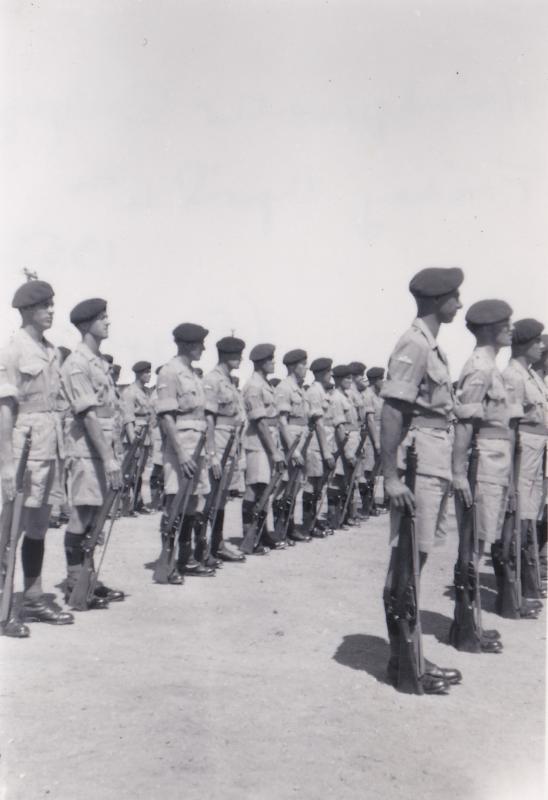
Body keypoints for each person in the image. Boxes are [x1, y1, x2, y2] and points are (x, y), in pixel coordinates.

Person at [381, 266, 464, 694]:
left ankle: (406, 656)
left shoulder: (432, 345)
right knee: (408, 560)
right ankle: (404, 661)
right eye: (455, 296)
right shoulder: (414, 343)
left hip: (434, 455)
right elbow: (394, 409)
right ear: (436, 300)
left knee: (420, 555)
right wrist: (391, 476)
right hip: (419, 458)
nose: (460, 303)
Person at [0, 280, 74, 635]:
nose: (51, 311)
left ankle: (32, 597)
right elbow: (5, 410)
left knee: (38, 528)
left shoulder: (52, 351)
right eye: (45, 305)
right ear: (27, 310)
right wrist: (5, 463)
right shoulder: (13, 350)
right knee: (10, 529)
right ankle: (3, 607)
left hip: (48, 447)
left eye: (52, 304)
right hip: (24, 449)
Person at [61, 298, 125, 608]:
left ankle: (88, 578)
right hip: (86, 451)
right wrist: (109, 456)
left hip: (101, 448)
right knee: (82, 514)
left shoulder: (99, 361)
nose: (108, 322)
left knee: (94, 519)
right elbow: (87, 416)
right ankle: (76, 583)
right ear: (86, 325)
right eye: (102, 318)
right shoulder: (77, 363)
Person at [155, 323, 214, 581]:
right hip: (182, 447)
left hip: (197, 446)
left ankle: (186, 557)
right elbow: (166, 417)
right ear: (189, 345)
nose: (203, 348)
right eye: (200, 344)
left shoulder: (192, 373)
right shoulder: (170, 372)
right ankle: (166, 563)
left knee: (191, 502)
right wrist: (180, 454)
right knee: (174, 502)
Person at [502, 318, 547, 602]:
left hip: (536, 446)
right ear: (526, 344)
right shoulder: (514, 376)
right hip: (523, 447)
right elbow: (510, 423)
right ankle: (513, 581)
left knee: (530, 510)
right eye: (538, 342)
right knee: (518, 511)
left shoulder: (530, 376)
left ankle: (524, 579)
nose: (542, 347)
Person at [202, 336, 247, 562]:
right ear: (226, 356)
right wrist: (212, 454)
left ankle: (216, 544)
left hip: (230, 444)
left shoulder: (229, 381)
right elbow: (208, 419)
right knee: (210, 496)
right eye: (236, 355)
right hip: (218, 444)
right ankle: (203, 547)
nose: (240, 359)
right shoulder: (213, 380)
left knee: (221, 498)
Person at [240, 344, 285, 555]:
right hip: (257, 443)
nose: (274, 363)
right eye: (271, 359)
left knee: (266, 489)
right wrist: (273, 451)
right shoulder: (254, 386)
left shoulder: (265, 384)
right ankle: (249, 535)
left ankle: (262, 532)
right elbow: (259, 422)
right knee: (255, 489)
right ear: (261, 362)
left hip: (267, 441)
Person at [273, 349, 310, 544]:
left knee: (295, 485)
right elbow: (282, 421)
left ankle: (289, 525)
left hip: (301, 439)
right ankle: (280, 529)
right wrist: (293, 450)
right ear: (293, 366)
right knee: (285, 485)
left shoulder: (299, 389)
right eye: (303, 364)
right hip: (290, 443)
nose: (306, 368)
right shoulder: (285, 388)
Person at [303, 358, 336, 537]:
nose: (331, 375)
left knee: (317, 486)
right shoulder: (315, 392)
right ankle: (308, 524)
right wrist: (326, 452)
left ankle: (313, 521)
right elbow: (319, 424)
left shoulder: (321, 391)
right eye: (329, 372)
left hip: (322, 445)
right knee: (312, 484)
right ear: (323, 373)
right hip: (316, 446)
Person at [122, 360, 154, 514]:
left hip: (145, 434)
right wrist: (133, 440)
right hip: (134, 434)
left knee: (139, 471)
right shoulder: (130, 392)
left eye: (149, 372)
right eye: (146, 372)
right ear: (139, 374)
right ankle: (125, 505)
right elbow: (128, 417)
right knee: (129, 470)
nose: (149, 375)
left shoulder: (146, 392)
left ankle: (137, 503)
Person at [361, 367, 385, 517]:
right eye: (382, 379)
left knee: (374, 473)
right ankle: (366, 506)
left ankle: (371, 504)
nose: (384, 382)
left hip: (379, 435)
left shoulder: (379, 396)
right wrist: (376, 442)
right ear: (375, 380)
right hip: (370, 438)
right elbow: (370, 421)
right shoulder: (368, 396)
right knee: (368, 471)